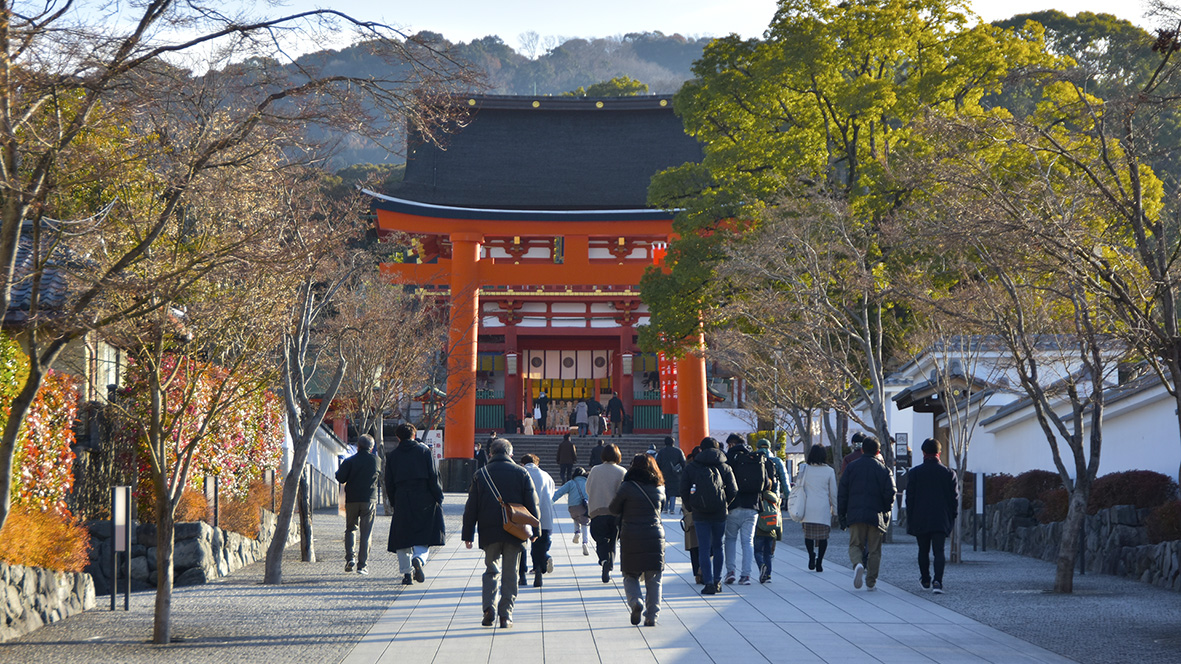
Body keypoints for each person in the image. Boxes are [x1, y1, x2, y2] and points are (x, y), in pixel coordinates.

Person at [463, 438, 540, 629]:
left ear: (490, 453)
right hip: (515, 530)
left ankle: (489, 608)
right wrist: (535, 529)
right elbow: (532, 503)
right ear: (510, 454)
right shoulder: (521, 473)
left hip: (489, 531)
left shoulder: (481, 474)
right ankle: (506, 615)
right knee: (511, 573)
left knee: (491, 570)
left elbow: (471, 506)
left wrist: (468, 534)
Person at [385, 423, 445, 585]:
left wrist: (393, 501)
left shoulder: (393, 455)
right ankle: (418, 559)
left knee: (403, 536)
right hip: (424, 496)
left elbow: (388, 482)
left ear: (398, 437)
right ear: (414, 435)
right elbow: (434, 476)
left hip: (402, 496)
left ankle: (406, 574)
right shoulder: (424, 451)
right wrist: (438, 496)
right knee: (423, 532)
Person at [610, 454, 666, 627]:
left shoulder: (627, 487)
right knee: (654, 577)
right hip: (654, 535)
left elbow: (613, 509)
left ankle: (636, 602)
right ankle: (652, 616)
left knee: (630, 574)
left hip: (631, 535)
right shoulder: (659, 488)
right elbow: (660, 509)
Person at [837, 436, 896, 591]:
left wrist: (842, 515)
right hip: (876, 515)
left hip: (855, 513)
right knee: (875, 549)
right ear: (878, 451)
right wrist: (885, 509)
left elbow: (842, 493)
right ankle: (871, 581)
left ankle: (858, 564)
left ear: (862, 449)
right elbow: (891, 492)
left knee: (856, 544)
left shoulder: (851, 467)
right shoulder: (884, 469)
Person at [681, 437, 737, 595]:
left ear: (701, 449)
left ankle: (709, 582)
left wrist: (692, 506)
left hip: (700, 513)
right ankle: (718, 580)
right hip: (719, 512)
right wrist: (725, 503)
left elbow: (683, 489)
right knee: (718, 546)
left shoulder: (692, 467)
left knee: (704, 548)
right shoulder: (725, 467)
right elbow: (733, 490)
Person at [905, 438, 958, 594]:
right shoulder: (949, 473)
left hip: (920, 517)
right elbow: (954, 499)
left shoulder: (915, 472)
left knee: (923, 550)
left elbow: (910, 499)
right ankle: (938, 582)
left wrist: (911, 518)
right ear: (939, 453)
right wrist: (951, 517)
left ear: (923, 452)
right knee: (939, 551)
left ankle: (925, 579)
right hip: (941, 518)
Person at [723, 433, 767, 585]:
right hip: (752, 506)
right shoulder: (755, 458)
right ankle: (746, 576)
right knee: (747, 542)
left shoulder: (729, 459)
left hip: (733, 506)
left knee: (730, 540)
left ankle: (730, 572)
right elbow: (766, 483)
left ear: (731, 444)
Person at [335, 434, 380, 575]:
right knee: (366, 533)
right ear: (372, 448)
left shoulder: (350, 461)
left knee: (350, 529)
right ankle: (362, 565)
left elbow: (340, 477)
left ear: (358, 446)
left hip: (352, 499)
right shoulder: (376, 461)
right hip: (369, 500)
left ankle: (350, 558)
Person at [586, 442, 626, 583]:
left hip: (597, 511)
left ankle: (604, 560)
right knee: (613, 540)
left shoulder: (595, 470)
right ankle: (609, 564)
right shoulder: (622, 471)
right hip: (615, 513)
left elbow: (588, 489)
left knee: (600, 539)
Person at [797, 444, 839, 574]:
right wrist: (836, 510)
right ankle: (820, 561)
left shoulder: (805, 469)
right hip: (823, 507)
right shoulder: (829, 471)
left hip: (808, 506)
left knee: (808, 535)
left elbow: (798, 487)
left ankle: (811, 556)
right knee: (823, 537)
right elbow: (833, 492)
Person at [516, 454, 556, 588]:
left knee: (521, 544)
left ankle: (522, 575)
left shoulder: (520, 473)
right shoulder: (546, 476)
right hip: (543, 514)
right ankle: (538, 568)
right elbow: (552, 494)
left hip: (523, 513)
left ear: (522, 463)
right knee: (539, 544)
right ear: (537, 463)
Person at [553, 466, 592, 556]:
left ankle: (577, 532)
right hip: (584, 507)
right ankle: (585, 543)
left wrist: (551, 501)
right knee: (585, 524)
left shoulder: (571, 483)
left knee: (575, 518)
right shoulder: (588, 482)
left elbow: (560, 492)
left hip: (572, 507)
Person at [681, 446, 702, 584]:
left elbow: (683, 490)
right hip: (710, 510)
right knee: (709, 544)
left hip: (691, 511)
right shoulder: (715, 467)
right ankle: (705, 571)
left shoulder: (688, 469)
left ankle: (697, 573)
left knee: (694, 544)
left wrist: (688, 508)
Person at [655, 437, 686, 515]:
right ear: (673, 442)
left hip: (664, 474)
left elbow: (657, 463)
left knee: (665, 491)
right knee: (673, 492)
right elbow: (683, 462)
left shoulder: (662, 452)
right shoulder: (678, 451)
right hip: (675, 474)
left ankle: (665, 508)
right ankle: (672, 508)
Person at [758, 439, 791, 505]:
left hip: (757, 498)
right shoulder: (777, 461)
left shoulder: (753, 459)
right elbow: (785, 481)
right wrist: (789, 498)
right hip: (773, 496)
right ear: (769, 448)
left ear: (757, 448)